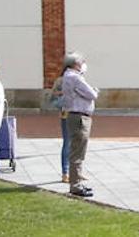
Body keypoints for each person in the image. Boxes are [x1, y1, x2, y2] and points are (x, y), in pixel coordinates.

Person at [63, 52, 99, 197]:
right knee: (78, 152)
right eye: (81, 62)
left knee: (77, 150)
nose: (83, 64)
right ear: (75, 64)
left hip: (75, 116)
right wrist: (95, 91)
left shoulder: (68, 76)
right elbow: (92, 94)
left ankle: (76, 182)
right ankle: (76, 185)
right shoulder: (75, 78)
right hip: (79, 117)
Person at [49, 54, 75, 183]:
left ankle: (75, 172)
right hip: (66, 114)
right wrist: (63, 93)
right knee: (67, 142)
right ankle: (65, 172)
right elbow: (52, 96)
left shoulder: (78, 78)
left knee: (77, 144)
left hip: (78, 113)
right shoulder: (61, 80)